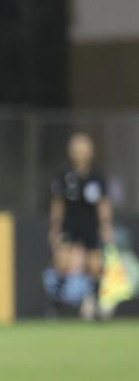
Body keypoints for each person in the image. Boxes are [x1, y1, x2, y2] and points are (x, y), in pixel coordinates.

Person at [47, 132, 114, 320]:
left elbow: (104, 205)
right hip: (70, 224)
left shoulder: (97, 176)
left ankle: (96, 306)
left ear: (90, 152)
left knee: (95, 266)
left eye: (84, 149)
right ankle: (55, 308)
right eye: (77, 150)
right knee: (62, 263)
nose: (80, 153)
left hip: (91, 225)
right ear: (71, 152)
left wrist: (106, 227)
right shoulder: (64, 175)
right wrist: (55, 228)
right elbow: (58, 205)